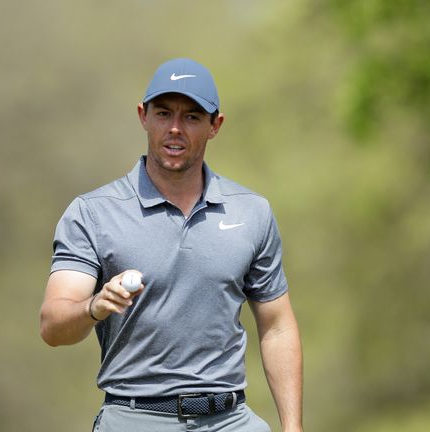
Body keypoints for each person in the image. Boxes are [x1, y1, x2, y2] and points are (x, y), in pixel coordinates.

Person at [39, 58, 303, 432]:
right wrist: (95, 306)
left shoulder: (252, 212)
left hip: (230, 419)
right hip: (134, 417)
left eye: (192, 117)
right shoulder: (93, 214)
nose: (175, 128)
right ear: (143, 116)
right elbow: (53, 326)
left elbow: (277, 327)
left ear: (216, 126)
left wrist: (293, 427)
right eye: (164, 113)